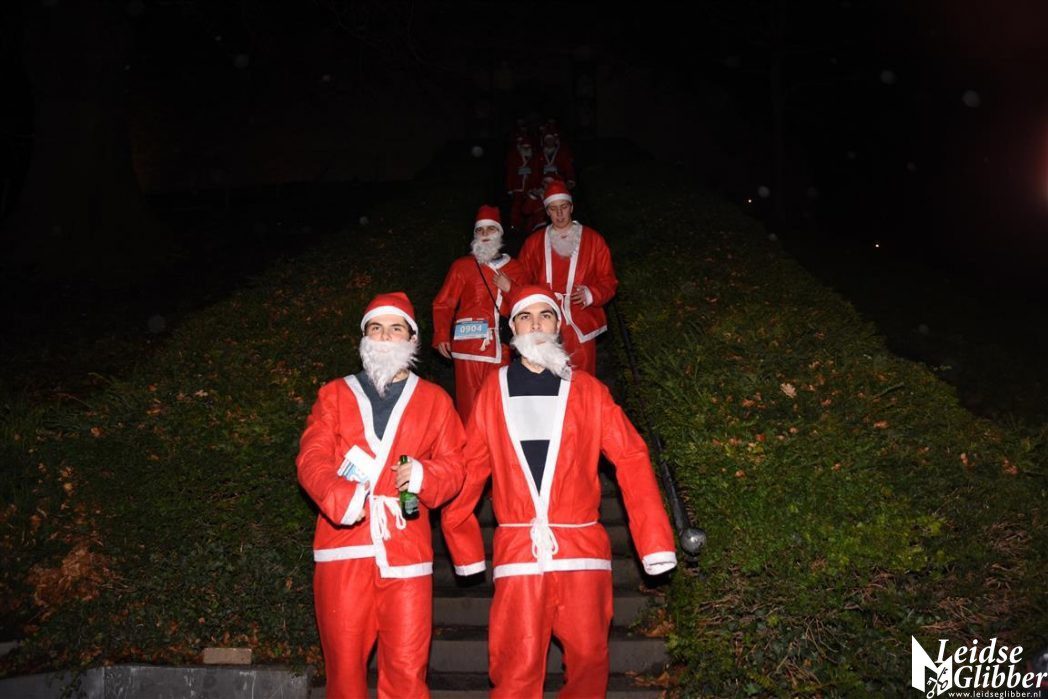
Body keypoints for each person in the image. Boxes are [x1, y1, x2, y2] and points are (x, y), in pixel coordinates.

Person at [441, 284, 677, 698]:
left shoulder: (589, 390)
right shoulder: (492, 390)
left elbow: (632, 456)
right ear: (512, 328)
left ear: (557, 325)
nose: (535, 324)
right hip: (519, 550)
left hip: (582, 548)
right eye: (525, 317)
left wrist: (654, 544)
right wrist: (463, 543)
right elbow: (471, 467)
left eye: (545, 315)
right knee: (514, 666)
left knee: (588, 662)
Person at [296, 291, 466, 699]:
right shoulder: (334, 394)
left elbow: (456, 465)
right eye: (376, 328)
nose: (385, 337)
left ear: (412, 338)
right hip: (343, 548)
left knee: (407, 668)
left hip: (406, 549)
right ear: (364, 337)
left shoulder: (435, 400)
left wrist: (425, 475)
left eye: (395, 328)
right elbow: (311, 457)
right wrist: (342, 497)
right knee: (344, 670)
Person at [432, 206, 531, 422]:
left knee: (497, 404)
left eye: (490, 229)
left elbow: (527, 307)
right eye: (480, 230)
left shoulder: (515, 268)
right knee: (468, 407)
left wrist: (510, 288)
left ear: (500, 233)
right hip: (467, 348)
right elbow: (443, 303)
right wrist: (441, 335)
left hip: (500, 348)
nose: (485, 234)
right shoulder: (462, 266)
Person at [518, 179, 617, 375]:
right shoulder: (533, 243)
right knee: (545, 374)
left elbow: (609, 281)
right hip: (544, 320)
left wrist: (592, 293)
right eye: (553, 209)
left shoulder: (594, 240)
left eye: (563, 207)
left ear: (571, 207)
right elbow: (522, 280)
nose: (559, 213)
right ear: (547, 212)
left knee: (582, 375)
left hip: (580, 318)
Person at [506, 136, 540, 232]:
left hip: (529, 187)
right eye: (524, 147)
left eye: (528, 147)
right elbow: (511, 173)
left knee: (529, 206)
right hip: (518, 187)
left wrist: (535, 185)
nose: (526, 149)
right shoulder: (515, 157)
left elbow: (536, 172)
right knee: (516, 207)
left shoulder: (533, 158)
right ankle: (514, 225)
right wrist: (510, 188)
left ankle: (529, 226)